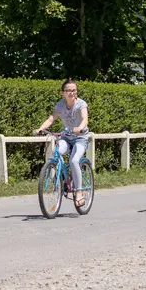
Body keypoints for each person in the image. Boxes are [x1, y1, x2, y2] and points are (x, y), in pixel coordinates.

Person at [33, 79, 90, 207]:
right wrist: (40, 129)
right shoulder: (60, 105)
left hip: (81, 137)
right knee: (56, 152)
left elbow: (85, 118)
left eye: (74, 90)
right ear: (62, 93)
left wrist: (80, 128)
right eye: (69, 90)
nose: (72, 93)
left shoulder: (81, 104)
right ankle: (61, 179)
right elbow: (51, 119)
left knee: (74, 160)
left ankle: (79, 191)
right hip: (66, 137)